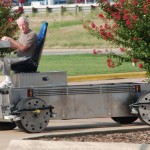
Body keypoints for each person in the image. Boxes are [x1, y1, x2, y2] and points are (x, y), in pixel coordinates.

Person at [0, 16, 38, 88]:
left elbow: (23, 48)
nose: (22, 27)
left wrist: (10, 39)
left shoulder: (32, 34)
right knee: (1, 60)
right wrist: (5, 43)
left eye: (23, 24)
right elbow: (16, 47)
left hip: (27, 59)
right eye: (20, 25)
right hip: (21, 58)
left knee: (5, 60)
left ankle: (8, 81)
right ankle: (7, 80)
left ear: (27, 24)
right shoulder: (22, 34)